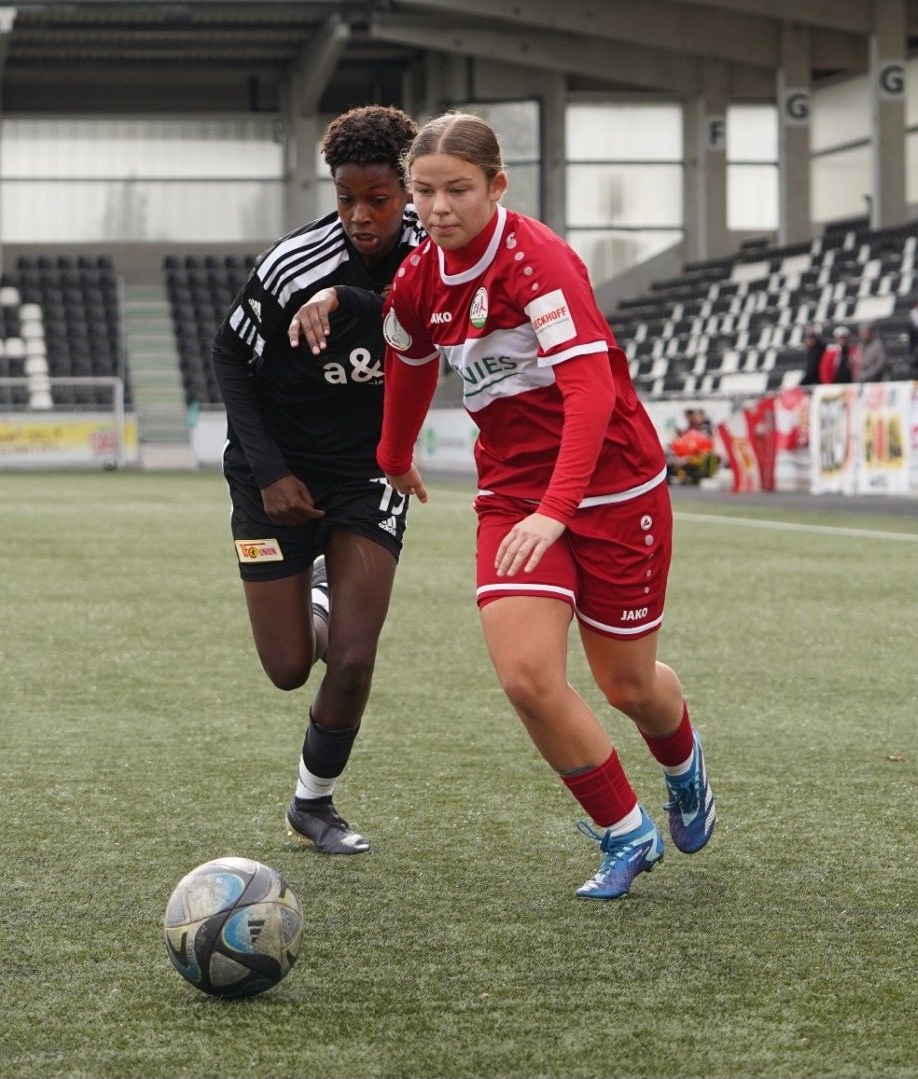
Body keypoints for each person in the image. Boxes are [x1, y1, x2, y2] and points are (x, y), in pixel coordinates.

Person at [371, 111, 716, 900]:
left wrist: (558, 509)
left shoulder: (539, 260)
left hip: (614, 485)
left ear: (497, 185)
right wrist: (393, 453)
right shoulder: (419, 277)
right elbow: (411, 357)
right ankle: (626, 831)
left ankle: (684, 764)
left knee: (627, 685)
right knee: (527, 676)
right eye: (423, 192)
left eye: (458, 189)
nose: (438, 207)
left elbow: (591, 391)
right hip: (513, 496)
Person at [210, 105, 423, 856]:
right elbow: (230, 360)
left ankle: (314, 802)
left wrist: (353, 302)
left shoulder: (437, 255)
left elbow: (444, 320)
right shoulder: (290, 263)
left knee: (356, 656)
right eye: (345, 199)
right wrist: (269, 472)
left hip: (368, 470)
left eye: (379, 200)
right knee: (288, 667)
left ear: (410, 192)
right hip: (275, 470)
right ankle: (321, 587)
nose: (360, 217)